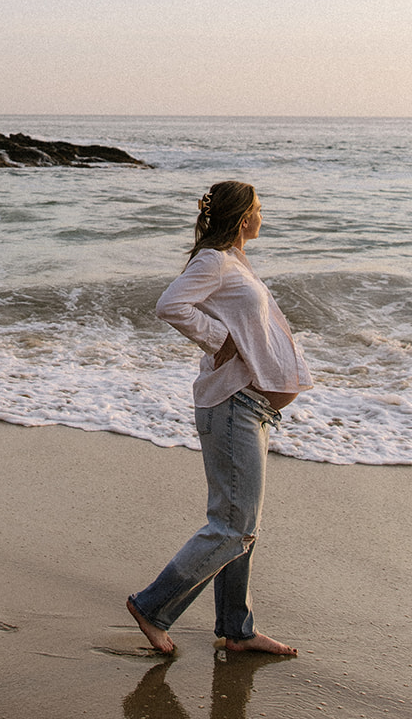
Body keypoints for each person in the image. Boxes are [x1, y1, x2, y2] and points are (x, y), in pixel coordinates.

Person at [126, 180, 312, 657]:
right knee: (233, 526)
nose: (263, 215)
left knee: (242, 527)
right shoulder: (212, 261)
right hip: (231, 406)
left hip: (251, 409)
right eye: (258, 208)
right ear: (241, 216)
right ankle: (152, 606)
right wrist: (219, 340)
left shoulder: (233, 261)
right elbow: (170, 305)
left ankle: (237, 629)